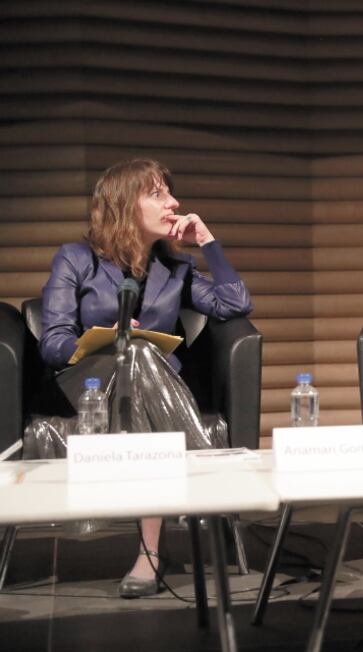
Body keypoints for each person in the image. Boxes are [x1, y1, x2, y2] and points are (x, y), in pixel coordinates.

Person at [35, 157, 253, 598]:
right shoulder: (76, 259)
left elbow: (235, 305)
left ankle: (149, 552)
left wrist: (208, 243)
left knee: (140, 353)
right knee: (133, 349)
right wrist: (106, 338)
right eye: (157, 194)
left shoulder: (177, 269)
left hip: (154, 389)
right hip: (89, 387)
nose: (173, 203)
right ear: (123, 206)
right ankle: (210, 487)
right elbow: (53, 342)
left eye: (169, 192)